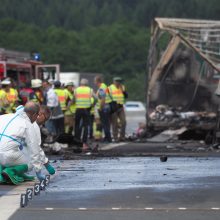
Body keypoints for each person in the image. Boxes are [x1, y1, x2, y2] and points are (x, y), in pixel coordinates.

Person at [0, 102, 43, 185]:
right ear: (34, 114)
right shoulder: (27, 125)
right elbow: (34, 150)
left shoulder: (5, 116)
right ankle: (11, 171)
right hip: (7, 156)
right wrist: (38, 172)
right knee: (32, 161)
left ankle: (1, 175)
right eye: (37, 115)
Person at [73, 78, 97, 151]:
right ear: (87, 84)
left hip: (78, 109)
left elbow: (73, 100)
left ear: (80, 83)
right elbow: (96, 98)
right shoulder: (90, 90)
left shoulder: (76, 90)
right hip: (86, 109)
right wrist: (92, 105)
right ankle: (84, 142)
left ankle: (77, 141)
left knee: (77, 125)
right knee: (86, 126)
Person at [108, 77, 128, 142]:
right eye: (117, 81)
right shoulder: (109, 88)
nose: (118, 83)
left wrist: (123, 91)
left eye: (119, 81)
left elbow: (126, 96)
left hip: (120, 107)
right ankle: (115, 137)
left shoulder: (122, 87)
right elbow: (106, 97)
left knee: (124, 122)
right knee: (115, 123)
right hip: (114, 107)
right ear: (113, 81)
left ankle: (122, 137)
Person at [94, 75, 112, 143]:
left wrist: (100, 108)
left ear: (97, 81)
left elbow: (103, 99)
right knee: (106, 124)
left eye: (95, 81)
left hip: (104, 107)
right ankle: (108, 138)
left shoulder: (101, 88)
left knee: (105, 124)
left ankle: (108, 139)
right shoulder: (104, 86)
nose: (94, 83)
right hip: (107, 106)